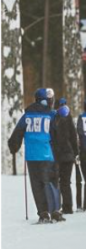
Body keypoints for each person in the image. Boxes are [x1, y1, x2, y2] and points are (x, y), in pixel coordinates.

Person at [8, 88, 62, 223]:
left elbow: (17, 133)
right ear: (46, 101)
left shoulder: (27, 116)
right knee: (49, 182)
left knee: (37, 185)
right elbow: (56, 135)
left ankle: (43, 213)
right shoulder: (50, 115)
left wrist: (13, 147)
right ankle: (55, 211)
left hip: (32, 156)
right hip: (47, 154)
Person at [53, 98, 79, 215]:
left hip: (57, 156)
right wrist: (76, 153)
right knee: (65, 183)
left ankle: (56, 207)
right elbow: (74, 137)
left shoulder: (53, 118)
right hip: (68, 155)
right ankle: (67, 207)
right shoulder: (69, 119)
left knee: (56, 182)